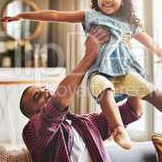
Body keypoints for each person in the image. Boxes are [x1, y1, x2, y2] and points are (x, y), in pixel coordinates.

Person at [2, 0, 162, 150]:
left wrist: (161, 54)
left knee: (151, 91)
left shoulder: (86, 124)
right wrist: (23, 16)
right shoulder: (34, 132)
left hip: (124, 72)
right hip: (99, 72)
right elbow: (55, 15)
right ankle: (118, 130)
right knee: (104, 90)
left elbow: (147, 42)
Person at [18, 29, 145, 162]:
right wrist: (90, 54)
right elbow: (57, 103)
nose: (46, 91)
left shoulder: (88, 123)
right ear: (31, 117)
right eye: (37, 96)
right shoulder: (32, 133)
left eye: (44, 88)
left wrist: (129, 64)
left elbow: (133, 110)